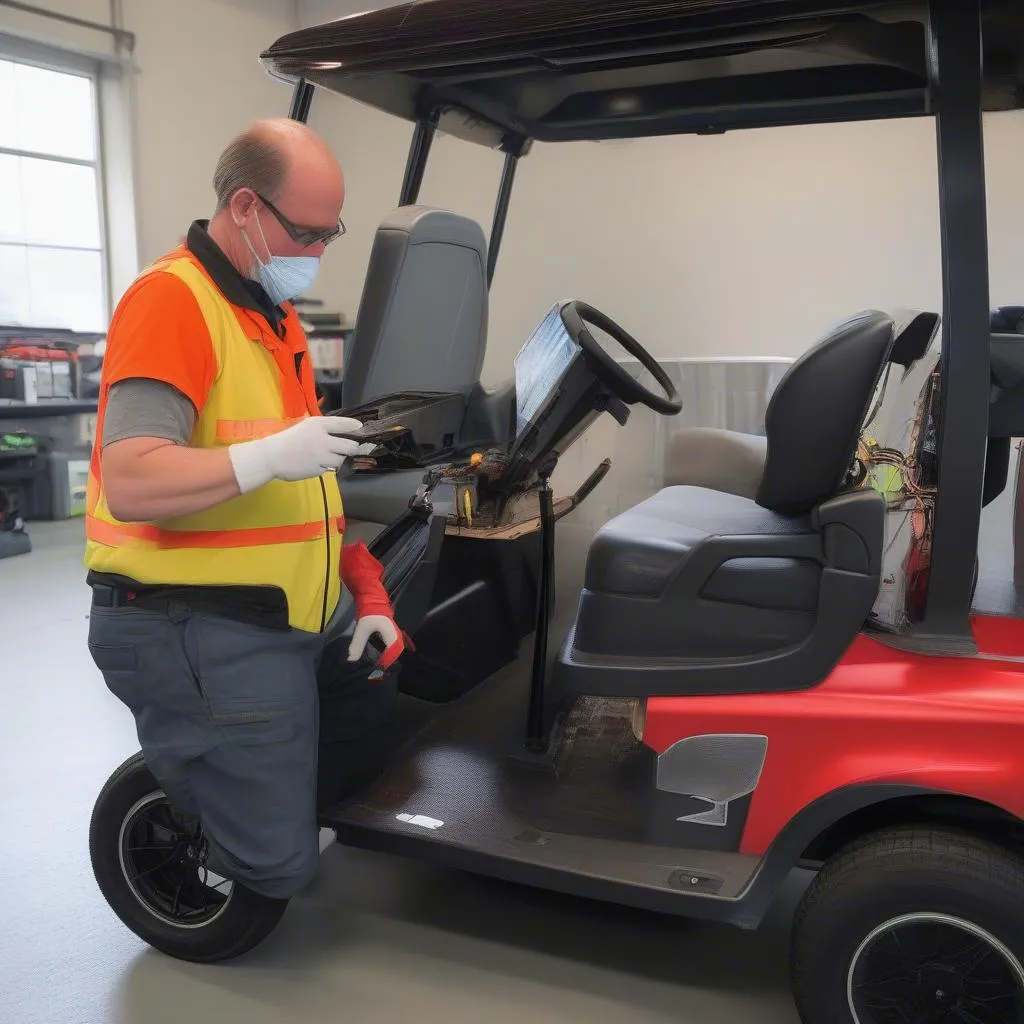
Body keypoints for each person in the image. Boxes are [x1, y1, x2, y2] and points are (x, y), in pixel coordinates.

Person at [85, 118, 406, 901]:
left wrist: (363, 592)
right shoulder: (173, 303)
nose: (318, 251)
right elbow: (131, 480)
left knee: (376, 699)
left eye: (331, 234)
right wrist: (265, 457)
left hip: (287, 606)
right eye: (306, 232)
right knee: (277, 871)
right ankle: (232, 824)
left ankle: (273, 801)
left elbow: (302, 493)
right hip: (194, 619)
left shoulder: (269, 311)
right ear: (243, 208)